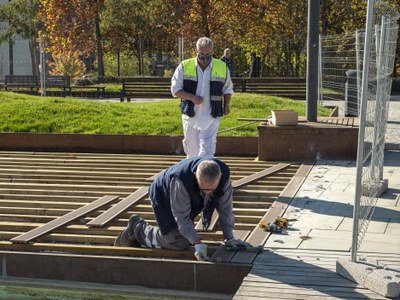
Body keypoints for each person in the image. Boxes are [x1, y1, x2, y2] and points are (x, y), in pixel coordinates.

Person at [114, 157, 252, 261]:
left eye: (212, 190)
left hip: (191, 195)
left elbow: (226, 209)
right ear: (195, 176)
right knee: (178, 242)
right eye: (204, 189)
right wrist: (197, 242)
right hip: (164, 196)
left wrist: (229, 237)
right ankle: (137, 228)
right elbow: (181, 217)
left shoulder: (224, 177)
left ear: (220, 176)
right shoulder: (181, 181)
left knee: (186, 234)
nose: (208, 193)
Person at [171, 37, 234, 158]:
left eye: (208, 53)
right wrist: (192, 97)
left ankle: (206, 175)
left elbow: (227, 88)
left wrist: (226, 104)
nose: (205, 56)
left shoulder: (221, 67)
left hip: (211, 115)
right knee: (193, 152)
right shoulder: (185, 66)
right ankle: (193, 174)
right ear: (196, 51)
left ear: (212, 52)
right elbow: (175, 89)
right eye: (202, 53)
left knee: (207, 152)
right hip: (190, 116)